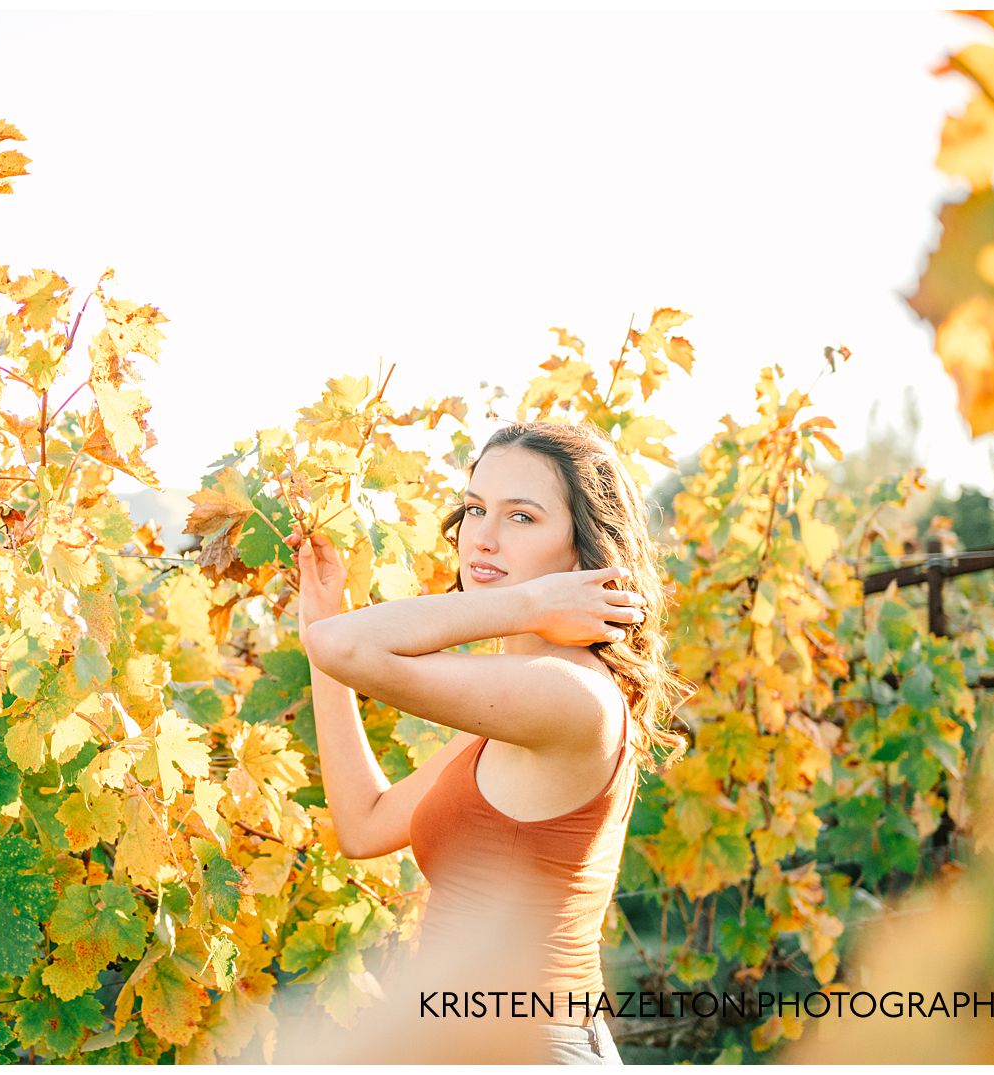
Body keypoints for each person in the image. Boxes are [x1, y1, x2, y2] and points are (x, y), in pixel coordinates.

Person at [289, 419, 692, 1065]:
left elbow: (349, 646)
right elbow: (362, 827)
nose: (483, 535)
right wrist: (320, 629)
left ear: (581, 549)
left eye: (522, 517)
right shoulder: (511, 710)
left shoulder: (571, 697)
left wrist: (530, 604)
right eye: (475, 508)